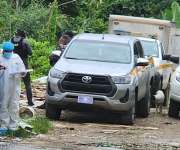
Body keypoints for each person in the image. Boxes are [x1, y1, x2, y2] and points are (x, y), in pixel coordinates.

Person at [0, 42, 26, 131]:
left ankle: (13, 125)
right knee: (3, 104)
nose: (8, 53)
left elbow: (22, 68)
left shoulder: (16, 57)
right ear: (3, 50)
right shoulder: (0, 58)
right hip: (3, 85)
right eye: (6, 51)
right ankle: (4, 125)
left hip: (15, 84)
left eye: (9, 51)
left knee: (14, 104)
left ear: (12, 51)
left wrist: (22, 72)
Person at [11, 29, 34, 106]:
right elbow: (30, 53)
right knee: (27, 84)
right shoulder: (25, 41)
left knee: (12, 84)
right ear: (23, 35)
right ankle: (30, 102)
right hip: (24, 65)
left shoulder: (11, 40)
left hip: (13, 65)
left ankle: (12, 101)